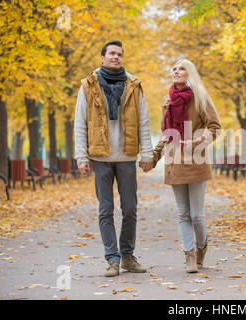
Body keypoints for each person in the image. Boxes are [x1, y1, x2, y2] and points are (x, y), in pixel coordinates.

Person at [74, 40, 155, 277]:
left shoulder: (133, 84)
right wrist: (82, 156)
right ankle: (112, 258)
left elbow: (144, 122)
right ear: (102, 57)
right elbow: (80, 123)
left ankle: (127, 256)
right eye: (111, 53)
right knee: (105, 210)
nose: (116, 57)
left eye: (119, 54)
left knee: (130, 209)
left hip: (126, 156)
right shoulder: (88, 85)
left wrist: (147, 154)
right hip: (100, 157)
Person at [152, 58, 221, 273]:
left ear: (189, 73)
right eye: (174, 68)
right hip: (174, 161)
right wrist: (155, 155)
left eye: (181, 68)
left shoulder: (201, 98)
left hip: (196, 160)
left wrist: (198, 142)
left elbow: (215, 127)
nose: (176, 71)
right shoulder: (167, 100)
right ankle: (189, 256)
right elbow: (166, 132)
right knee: (183, 214)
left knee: (196, 215)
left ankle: (201, 248)